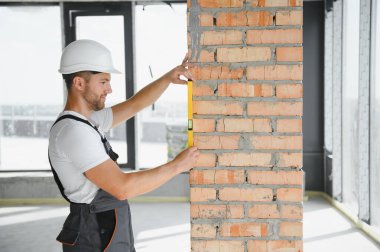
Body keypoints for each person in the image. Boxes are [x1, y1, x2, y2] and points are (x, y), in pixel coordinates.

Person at [48, 39, 199, 252]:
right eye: (103, 82)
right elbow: (122, 188)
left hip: (105, 225)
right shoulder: (75, 132)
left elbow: (136, 104)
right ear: (79, 83)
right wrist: (177, 166)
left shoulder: (89, 121)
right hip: (94, 232)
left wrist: (168, 78)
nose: (109, 89)